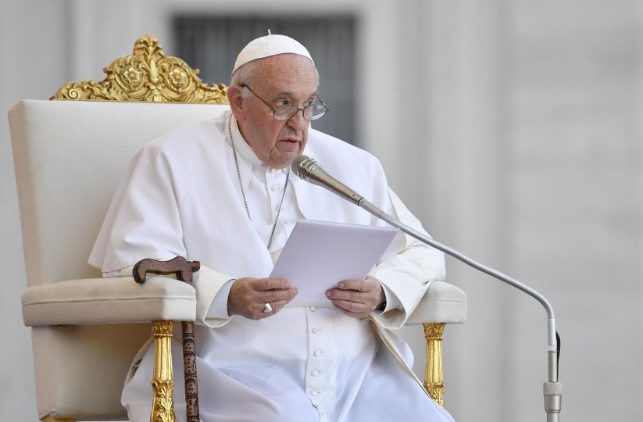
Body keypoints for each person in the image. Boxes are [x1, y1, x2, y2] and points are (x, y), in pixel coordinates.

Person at [89, 33, 454, 422]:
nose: (300, 126)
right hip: (229, 374)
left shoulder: (353, 166)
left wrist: (382, 292)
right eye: (283, 105)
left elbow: (423, 250)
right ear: (237, 102)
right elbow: (132, 266)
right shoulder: (170, 160)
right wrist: (226, 294)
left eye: (309, 106)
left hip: (358, 375)